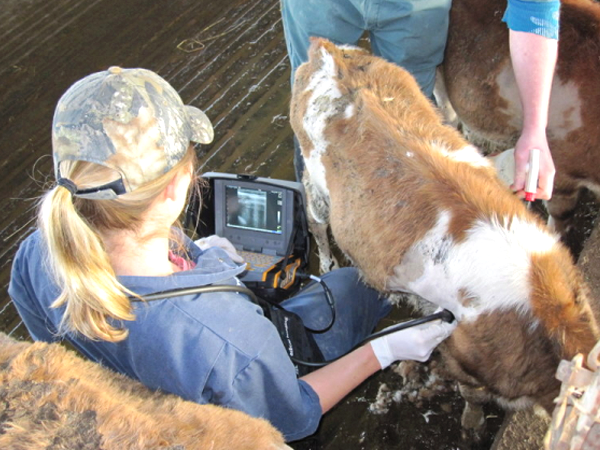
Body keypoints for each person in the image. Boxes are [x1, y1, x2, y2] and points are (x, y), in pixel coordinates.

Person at [8, 67, 456, 442]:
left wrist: (196, 256)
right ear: (171, 192)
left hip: (157, 413)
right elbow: (293, 418)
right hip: (250, 397)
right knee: (347, 285)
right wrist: (385, 350)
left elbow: (56, 345)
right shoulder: (228, 340)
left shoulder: (37, 253)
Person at [280, 0, 558, 201]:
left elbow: (535, 10)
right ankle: (309, 207)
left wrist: (535, 131)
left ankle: (403, 207)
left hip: (415, 7)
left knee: (410, 114)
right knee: (314, 101)